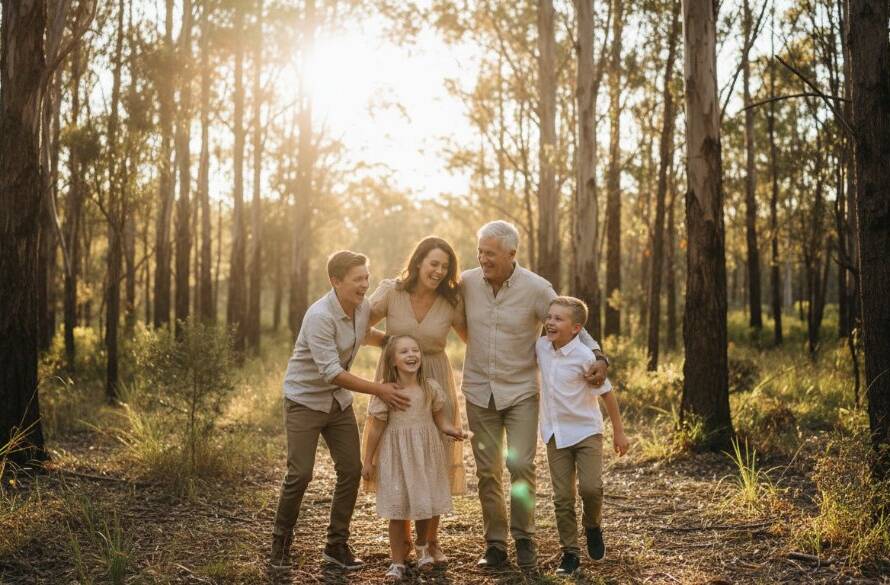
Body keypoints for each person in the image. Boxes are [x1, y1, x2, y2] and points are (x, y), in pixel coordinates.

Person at [461, 220, 610, 570]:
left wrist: (600, 357)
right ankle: (495, 544)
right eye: (480, 251)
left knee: (522, 467)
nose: (483, 258)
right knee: (487, 472)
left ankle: (524, 537)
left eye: (490, 253)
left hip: (520, 394)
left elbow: (576, 326)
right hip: (479, 391)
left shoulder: (537, 289)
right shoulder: (467, 282)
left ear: (511, 254)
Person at [270, 251, 411, 571]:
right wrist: (380, 389)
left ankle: (336, 545)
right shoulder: (319, 316)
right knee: (300, 473)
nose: (365, 285)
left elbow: (366, 335)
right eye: (358, 279)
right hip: (304, 401)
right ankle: (280, 542)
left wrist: (395, 343)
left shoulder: (361, 309)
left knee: (351, 469)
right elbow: (331, 372)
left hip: (337, 403)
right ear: (335, 281)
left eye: (366, 277)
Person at [363, 236, 468, 563]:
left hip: (436, 378)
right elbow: (358, 326)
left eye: (445, 266)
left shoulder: (450, 300)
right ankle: (403, 545)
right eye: (433, 263)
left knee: (433, 460)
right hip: (396, 380)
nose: (438, 271)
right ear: (418, 261)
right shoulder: (391, 291)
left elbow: (471, 338)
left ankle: (430, 542)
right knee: (400, 456)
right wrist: (391, 345)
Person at [361, 335, 467, 582]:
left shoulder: (430, 387)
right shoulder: (388, 391)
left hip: (425, 455)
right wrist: (368, 460)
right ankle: (397, 562)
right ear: (393, 360)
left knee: (426, 504)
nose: (412, 355)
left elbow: (439, 418)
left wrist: (450, 429)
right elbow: (376, 428)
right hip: (397, 456)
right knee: (397, 510)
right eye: (404, 352)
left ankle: (422, 546)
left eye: (415, 350)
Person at [537, 296, 629, 576]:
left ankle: (592, 524)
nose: (551, 323)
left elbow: (608, 394)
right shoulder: (540, 347)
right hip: (555, 434)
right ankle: (570, 553)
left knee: (590, 488)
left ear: (576, 329)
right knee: (562, 497)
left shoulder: (586, 357)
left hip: (587, 432)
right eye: (549, 317)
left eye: (558, 319)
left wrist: (619, 432)